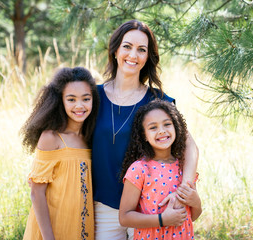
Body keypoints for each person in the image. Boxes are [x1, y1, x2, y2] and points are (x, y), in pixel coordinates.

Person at [92, 19, 199, 239]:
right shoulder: (93, 97)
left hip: (150, 207)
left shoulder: (158, 101)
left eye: (142, 50)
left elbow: (191, 147)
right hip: (103, 206)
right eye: (127, 46)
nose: (133, 55)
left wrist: (184, 190)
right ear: (115, 50)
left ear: (147, 57)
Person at [21, 67, 99, 240]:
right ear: (60, 101)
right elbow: (36, 192)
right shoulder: (51, 138)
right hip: (52, 230)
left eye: (86, 99)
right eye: (71, 99)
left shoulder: (90, 138)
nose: (79, 106)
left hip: (80, 228)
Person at [119, 99, 202, 240]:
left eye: (167, 124)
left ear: (176, 127)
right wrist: (162, 220)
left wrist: (196, 202)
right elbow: (125, 217)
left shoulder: (184, 167)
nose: (162, 131)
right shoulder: (139, 169)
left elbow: (191, 216)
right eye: (153, 127)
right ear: (144, 135)